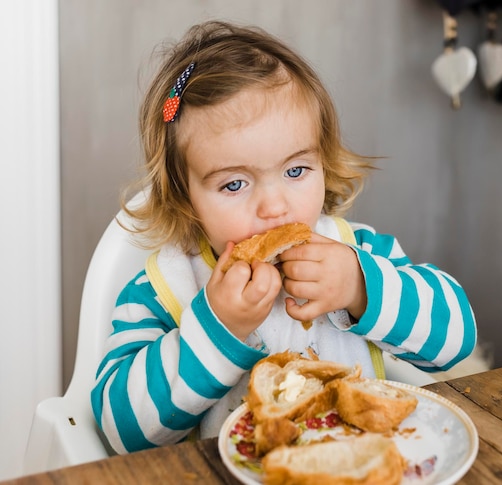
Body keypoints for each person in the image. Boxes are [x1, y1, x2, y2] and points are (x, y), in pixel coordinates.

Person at [91, 20, 477, 454]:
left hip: (359, 467)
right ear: (186, 198)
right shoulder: (162, 290)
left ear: (323, 163)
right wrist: (218, 328)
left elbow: (456, 341)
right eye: (234, 184)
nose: (275, 207)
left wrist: (359, 288)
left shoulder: (358, 251)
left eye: (296, 171)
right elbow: (118, 429)